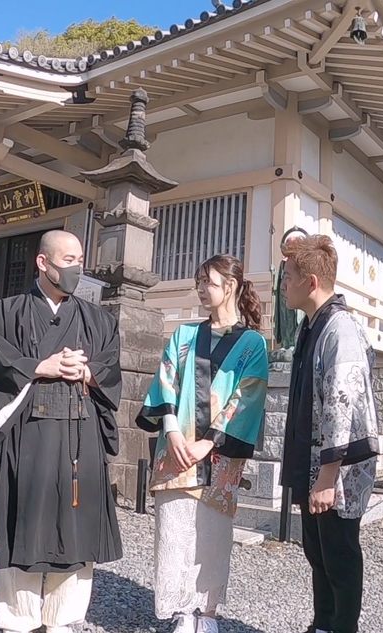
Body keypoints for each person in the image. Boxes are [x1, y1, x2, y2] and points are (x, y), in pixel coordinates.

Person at [0, 230, 123, 633]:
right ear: (43, 263)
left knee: (75, 526)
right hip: (30, 433)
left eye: (79, 259)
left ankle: (64, 618)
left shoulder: (98, 319)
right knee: (25, 520)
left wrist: (87, 373)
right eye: (67, 259)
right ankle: (19, 619)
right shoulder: (7, 312)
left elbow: (111, 370)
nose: (76, 267)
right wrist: (43, 366)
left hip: (80, 435)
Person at [137, 254, 269, 633]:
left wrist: (208, 443)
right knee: (174, 529)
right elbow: (166, 382)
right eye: (199, 283)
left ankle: (207, 611)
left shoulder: (252, 344)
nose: (201, 289)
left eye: (207, 282)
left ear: (230, 285)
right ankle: (181, 609)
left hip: (220, 454)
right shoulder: (183, 335)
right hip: (176, 449)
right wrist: (174, 432)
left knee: (211, 534)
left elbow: (247, 397)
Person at [279, 234, 379, 633]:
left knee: (338, 552)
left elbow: (343, 402)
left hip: (337, 467)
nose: (283, 285)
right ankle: (322, 623)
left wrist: (327, 475)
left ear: (311, 282)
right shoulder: (315, 326)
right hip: (319, 463)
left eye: (288, 277)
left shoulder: (340, 329)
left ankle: (342, 627)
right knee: (317, 550)